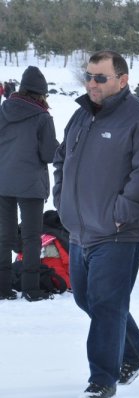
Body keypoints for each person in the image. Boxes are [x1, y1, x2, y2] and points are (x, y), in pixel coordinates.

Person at [53, 50, 139, 398]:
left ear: (122, 80)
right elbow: (61, 160)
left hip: (120, 232)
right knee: (87, 299)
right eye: (88, 76)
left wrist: (121, 212)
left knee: (106, 304)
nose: (92, 83)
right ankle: (138, 351)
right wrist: (62, 202)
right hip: (79, 229)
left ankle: (102, 380)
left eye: (100, 78)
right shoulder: (80, 116)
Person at [0, 66, 58, 301]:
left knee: (4, 236)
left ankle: (2, 288)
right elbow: (48, 154)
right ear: (41, 93)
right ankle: (31, 289)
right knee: (32, 237)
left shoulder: (3, 110)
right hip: (30, 185)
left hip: (3, 182)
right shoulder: (42, 117)